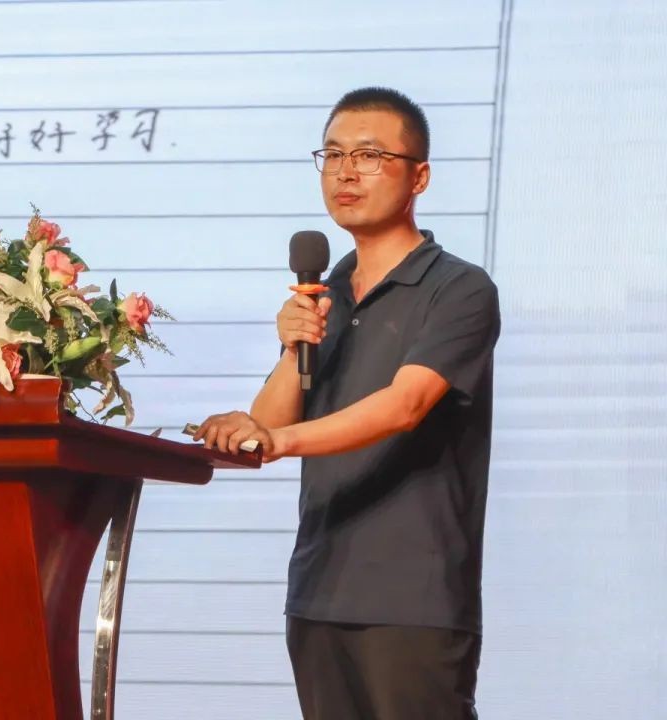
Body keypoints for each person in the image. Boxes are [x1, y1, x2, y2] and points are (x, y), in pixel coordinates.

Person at [193, 87, 501, 719]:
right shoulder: (324, 292)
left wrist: (278, 441)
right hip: (317, 590)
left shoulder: (459, 288)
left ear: (420, 177)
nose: (345, 172)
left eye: (368, 155)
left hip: (412, 597)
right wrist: (292, 349)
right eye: (332, 155)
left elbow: (405, 405)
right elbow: (266, 425)